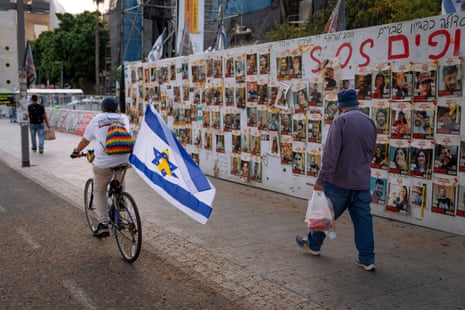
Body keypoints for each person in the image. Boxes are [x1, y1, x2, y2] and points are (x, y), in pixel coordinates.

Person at [296, 88, 377, 271]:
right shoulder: (369, 122)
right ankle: (367, 259)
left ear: (341, 107)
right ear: (356, 104)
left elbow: (330, 156)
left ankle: (313, 244)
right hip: (362, 182)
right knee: (363, 221)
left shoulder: (341, 121)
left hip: (340, 181)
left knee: (325, 214)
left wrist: (321, 179)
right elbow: (370, 152)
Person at [70, 97, 131, 238]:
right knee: (119, 176)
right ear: (116, 108)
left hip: (104, 162)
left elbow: (85, 140)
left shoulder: (97, 119)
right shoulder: (124, 118)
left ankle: (103, 224)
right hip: (124, 159)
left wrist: (76, 151)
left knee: (99, 191)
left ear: (102, 108)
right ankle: (120, 200)